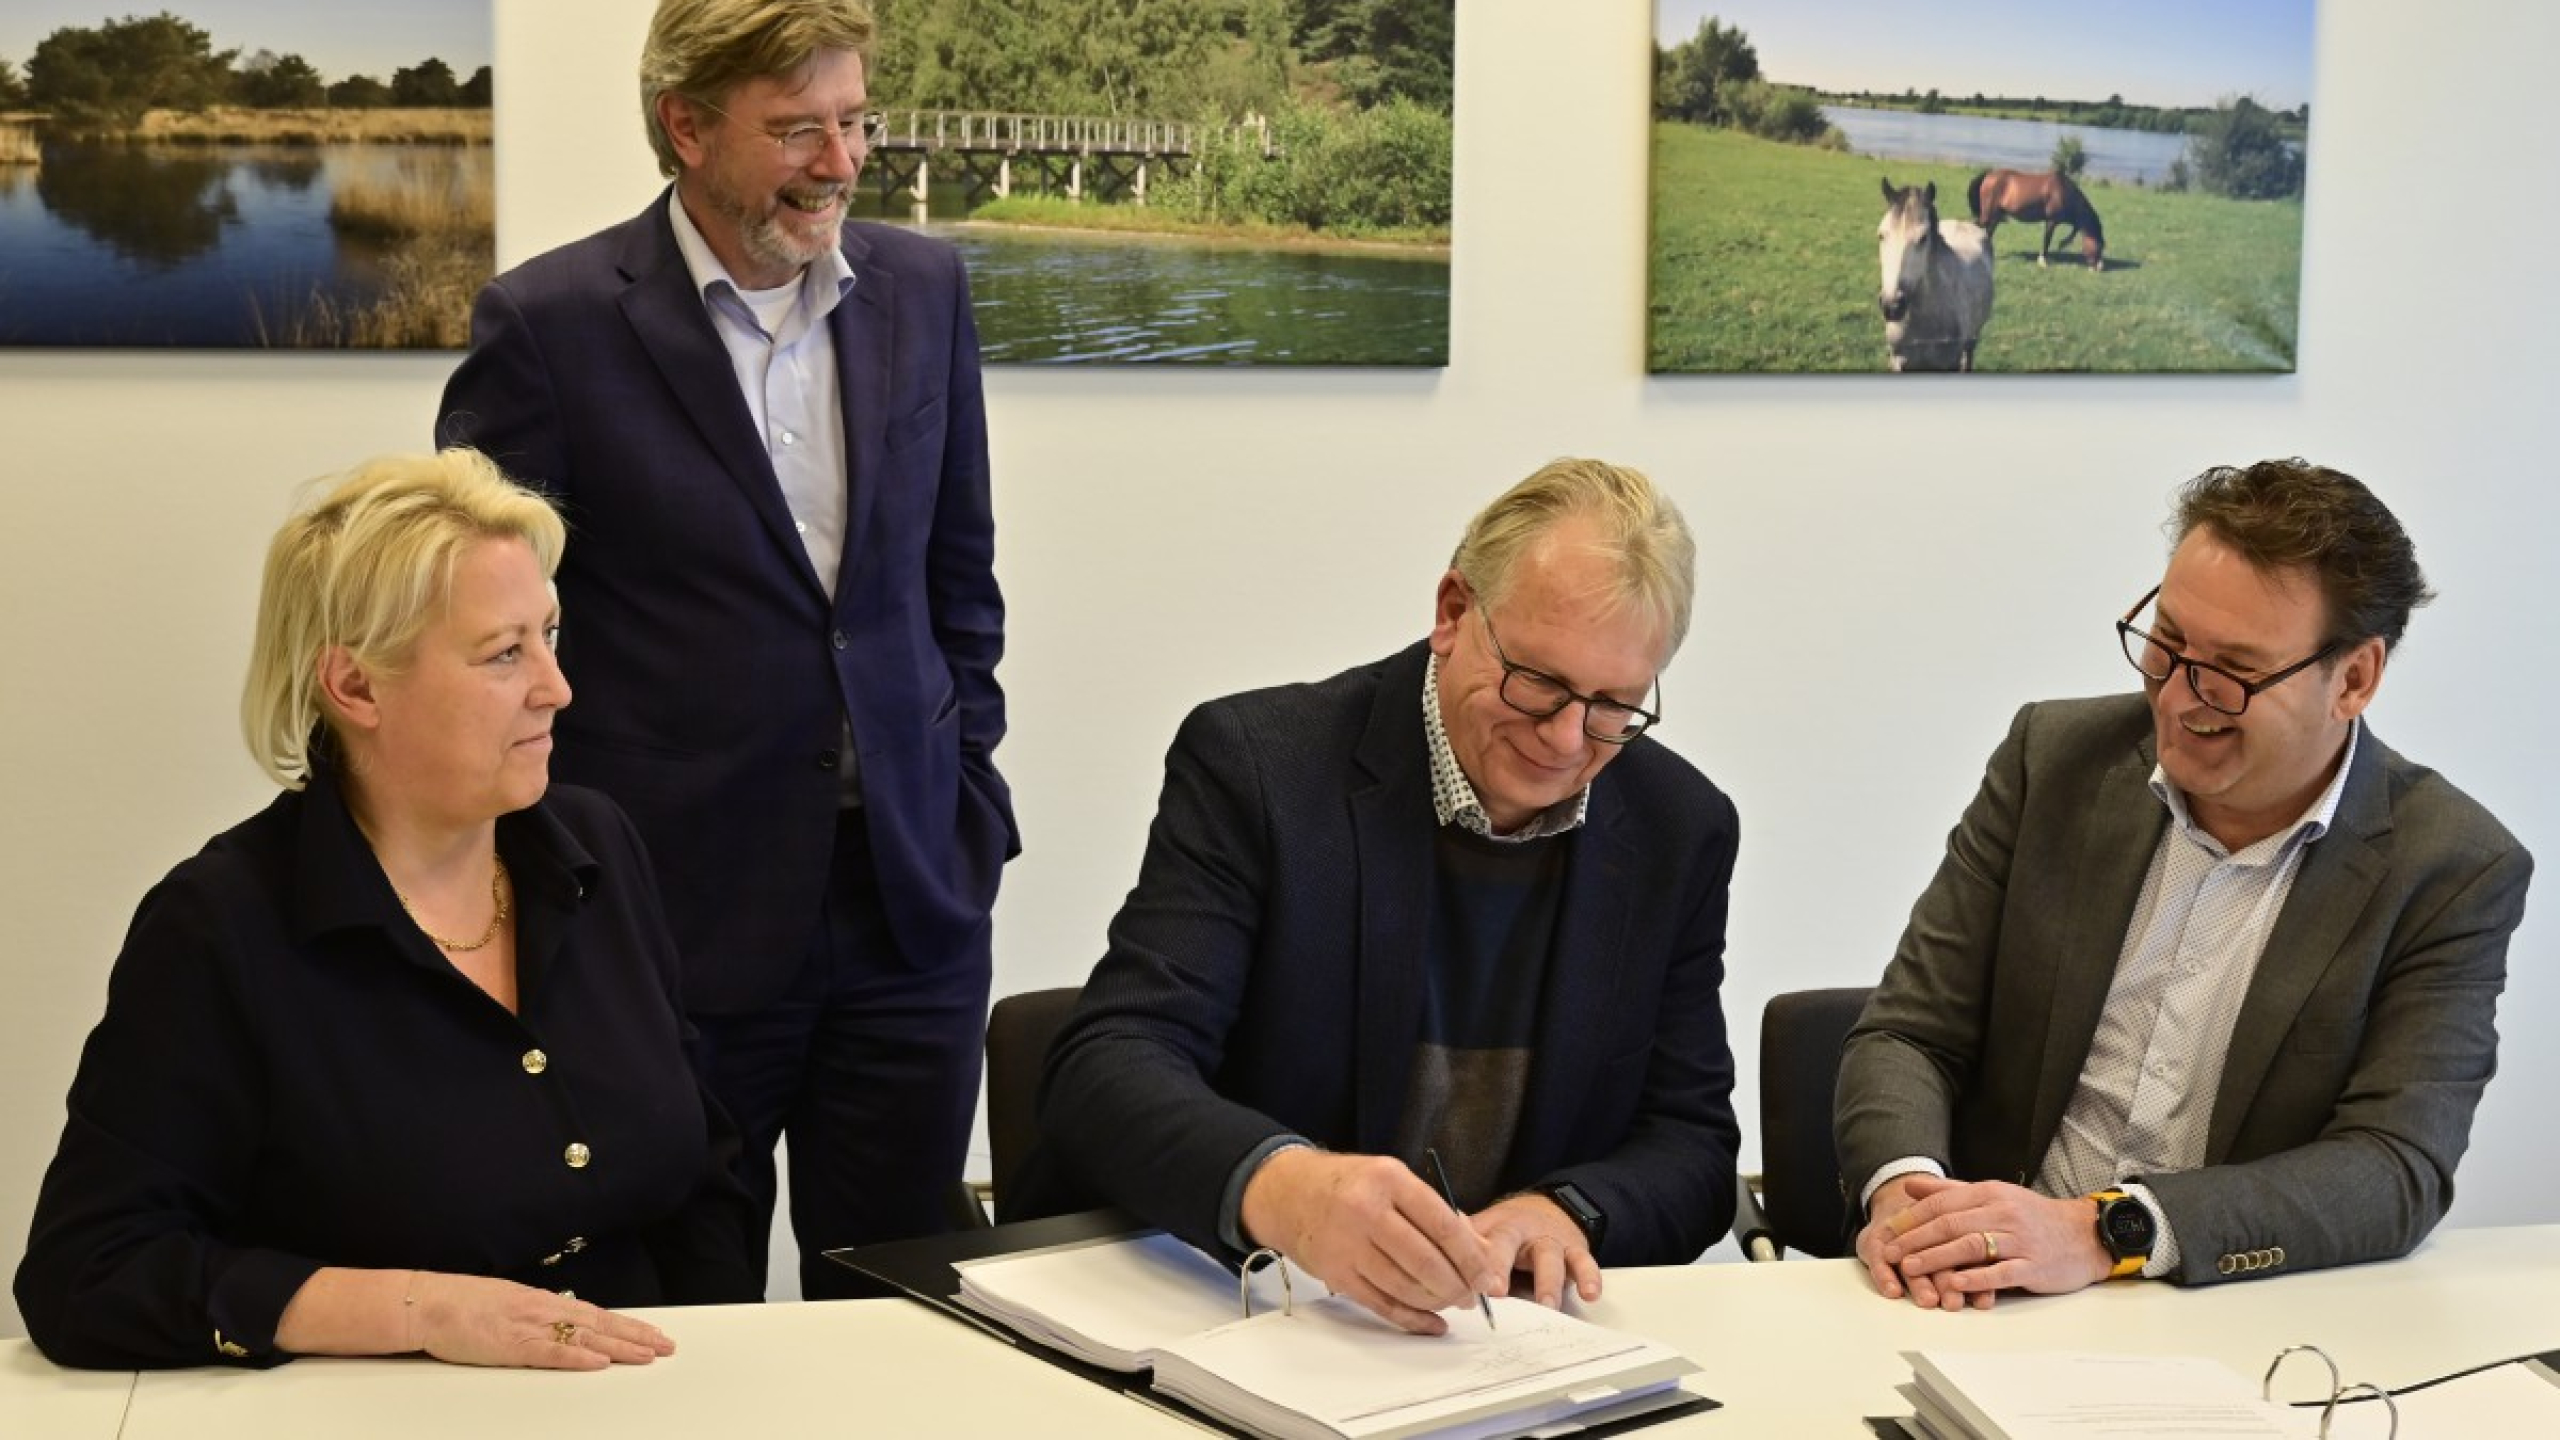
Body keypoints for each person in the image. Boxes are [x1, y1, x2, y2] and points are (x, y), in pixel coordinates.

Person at [433, 0, 1014, 1298]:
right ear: (684, 126)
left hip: (910, 907)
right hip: (668, 928)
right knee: (681, 1317)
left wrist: (969, 799)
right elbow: (478, 643)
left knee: (905, 1307)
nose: (844, 160)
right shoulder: (550, 328)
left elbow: (956, 584)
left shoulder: (926, 292)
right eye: (798, 128)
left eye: (855, 121)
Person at [14, 450, 758, 1370]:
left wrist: (720, 1371)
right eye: (503, 654)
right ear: (355, 686)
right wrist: (417, 1311)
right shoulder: (221, 927)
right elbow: (87, 1273)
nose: (556, 688)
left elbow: (702, 1166)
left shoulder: (597, 849)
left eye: (550, 636)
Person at [1023, 459, 1741, 1335]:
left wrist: (1569, 1211)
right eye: (1539, 684)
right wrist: (1282, 1186)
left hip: (1498, 1344)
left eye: (1612, 706)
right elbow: (1109, 1064)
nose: (1564, 739)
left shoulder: (1680, 827)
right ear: (1452, 613)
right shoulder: (1261, 766)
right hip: (1251, 1316)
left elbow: (1693, 1145)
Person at [1837, 458, 2533, 1310]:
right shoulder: (2052, 761)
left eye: (2233, 671)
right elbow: (1910, 1034)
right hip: (1992, 1293)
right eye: (2165, 644)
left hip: (2224, 1311)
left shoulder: (2448, 866)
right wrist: (1911, 1196)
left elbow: (2395, 1167)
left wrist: (2105, 1232)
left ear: (2353, 679)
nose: (2179, 698)